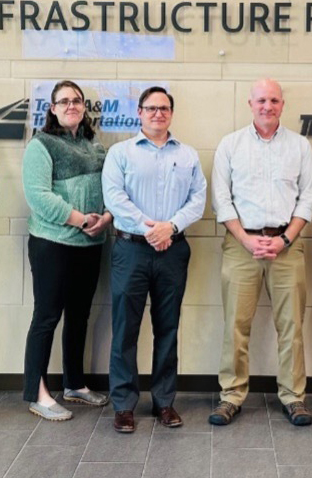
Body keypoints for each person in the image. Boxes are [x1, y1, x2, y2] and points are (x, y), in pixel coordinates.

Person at [208, 78, 312, 427]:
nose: (267, 106)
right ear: (250, 104)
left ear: (282, 105)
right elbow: (221, 199)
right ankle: (232, 396)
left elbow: (308, 198)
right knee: (235, 326)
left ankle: (293, 397)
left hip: (288, 247)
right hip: (241, 246)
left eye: (273, 100)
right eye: (261, 100)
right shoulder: (231, 145)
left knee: (291, 327)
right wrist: (245, 239)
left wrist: (285, 239)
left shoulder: (300, 146)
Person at [101, 86, 207, 433]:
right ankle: (124, 405)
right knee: (125, 329)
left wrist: (170, 227)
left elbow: (198, 200)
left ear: (171, 114)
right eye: (151, 108)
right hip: (131, 248)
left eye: (164, 108)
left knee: (168, 328)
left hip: (173, 251)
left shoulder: (188, 155)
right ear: (140, 113)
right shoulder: (121, 153)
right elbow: (114, 197)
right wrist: (150, 229)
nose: (158, 113)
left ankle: (164, 402)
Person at [21, 80, 113, 421]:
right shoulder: (41, 145)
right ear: (53, 109)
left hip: (90, 243)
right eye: (64, 101)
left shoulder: (94, 145)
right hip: (52, 244)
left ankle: (74, 383)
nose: (71, 105)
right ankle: (37, 392)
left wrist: (104, 218)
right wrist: (79, 219)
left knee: (79, 315)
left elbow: (109, 189)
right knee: (46, 317)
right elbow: (38, 197)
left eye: (77, 100)